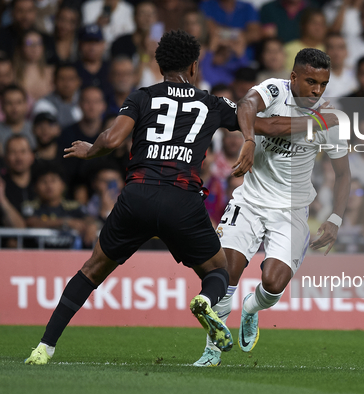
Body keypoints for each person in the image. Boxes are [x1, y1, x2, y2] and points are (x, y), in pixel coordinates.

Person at [23, 30, 243, 366]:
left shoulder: (142, 97)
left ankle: (44, 348)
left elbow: (111, 140)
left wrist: (89, 150)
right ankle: (204, 301)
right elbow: (258, 121)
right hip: (181, 199)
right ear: (195, 67)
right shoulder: (212, 103)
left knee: (91, 270)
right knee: (217, 272)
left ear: (159, 66)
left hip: (137, 196)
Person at [194, 48, 350, 367]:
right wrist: (249, 140)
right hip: (250, 201)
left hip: (290, 210)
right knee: (227, 273)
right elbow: (247, 105)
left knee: (274, 283)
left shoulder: (332, 118)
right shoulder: (274, 89)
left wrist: (334, 218)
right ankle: (211, 351)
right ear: (293, 77)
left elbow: (344, 174)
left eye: (323, 83)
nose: (317, 90)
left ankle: (251, 309)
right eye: (310, 81)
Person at [22, 164, 99, 249]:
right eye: (44, 181)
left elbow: (88, 218)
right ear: (35, 187)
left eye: (53, 181)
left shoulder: (74, 206)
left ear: (63, 185)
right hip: (36, 256)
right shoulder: (30, 206)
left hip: (69, 258)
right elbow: (30, 222)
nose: (49, 186)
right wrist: (65, 222)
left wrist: (92, 225)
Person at [32, 63, 82, 129]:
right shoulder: (43, 104)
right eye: (62, 79)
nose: (67, 84)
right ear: (54, 81)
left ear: (79, 81)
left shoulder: (86, 101)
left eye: (71, 79)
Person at [0, 84, 35, 154]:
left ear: (26, 104)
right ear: (2, 106)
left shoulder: (35, 129)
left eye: (18, 102)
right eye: (9, 103)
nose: (14, 108)